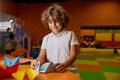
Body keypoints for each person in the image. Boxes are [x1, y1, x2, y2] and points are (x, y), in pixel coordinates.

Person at [31, 4, 79, 76]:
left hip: (69, 70)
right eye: (50, 22)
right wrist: (36, 62)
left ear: (62, 21)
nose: (53, 24)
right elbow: (41, 56)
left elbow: (73, 55)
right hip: (53, 71)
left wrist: (64, 65)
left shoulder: (70, 35)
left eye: (56, 21)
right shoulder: (46, 38)